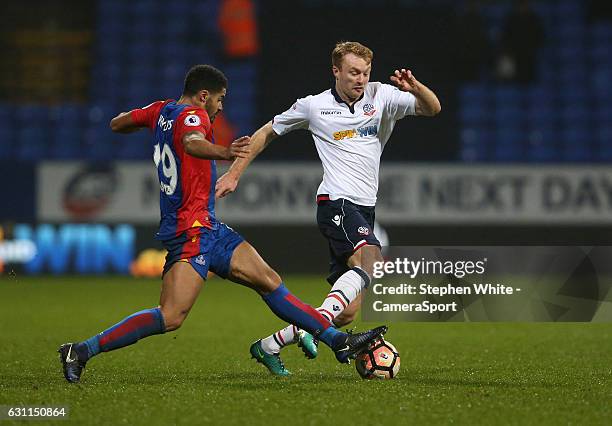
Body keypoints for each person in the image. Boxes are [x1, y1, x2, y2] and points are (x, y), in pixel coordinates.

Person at [58, 64, 387, 383]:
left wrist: (153, 123)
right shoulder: (193, 115)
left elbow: (117, 123)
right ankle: (81, 350)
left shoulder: (161, 111)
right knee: (171, 316)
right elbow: (191, 142)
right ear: (203, 96)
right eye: (219, 99)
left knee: (269, 281)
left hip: (209, 226)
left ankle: (337, 342)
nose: (220, 106)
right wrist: (224, 151)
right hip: (190, 231)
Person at [216, 41, 441, 375]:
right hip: (336, 201)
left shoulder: (381, 96)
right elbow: (266, 132)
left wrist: (416, 87)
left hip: (365, 209)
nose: (360, 79)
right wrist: (234, 174)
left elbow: (433, 108)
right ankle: (310, 330)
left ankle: (271, 344)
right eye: (353, 72)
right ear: (336, 71)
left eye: (365, 72)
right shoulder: (313, 106)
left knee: (348, 312)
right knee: (372, 261)